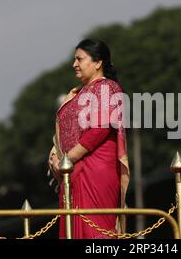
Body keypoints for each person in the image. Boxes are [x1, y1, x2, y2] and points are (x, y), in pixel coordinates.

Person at [48, 39, 129, 239]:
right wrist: (57, 160)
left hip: (95, 171)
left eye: (79, 59)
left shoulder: (107, 87)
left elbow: (99, 130)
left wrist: (67, 159)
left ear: (98, 62)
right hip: (71, 173)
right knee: (71, 230)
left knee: (95, 232)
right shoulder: (76, 93)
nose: (74, 64)